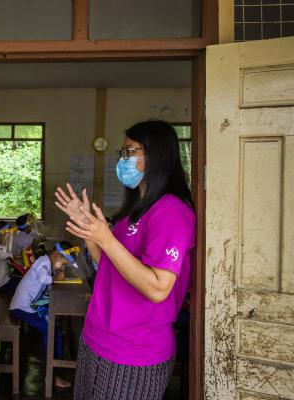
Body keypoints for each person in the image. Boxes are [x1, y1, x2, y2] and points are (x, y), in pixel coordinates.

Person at [55, 120, 195, 400]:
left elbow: (158, 287)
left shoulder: (172, 212)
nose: (123, 159)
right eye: (122, 152)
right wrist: (90, 231)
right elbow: (108, 264)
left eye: (130, 152)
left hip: (134, 351)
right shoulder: (135, 211)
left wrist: (105, 238)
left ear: (156, 156)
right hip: (96, 338)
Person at [9, 241, 79, 389]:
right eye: (64, 263)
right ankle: (54, 375)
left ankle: (55, 365)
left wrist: (56, 277)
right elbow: (43, 279)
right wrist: (56, 278)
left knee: (56, 328)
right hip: (22, 308)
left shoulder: (47, 262)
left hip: (28, 305)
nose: (64, 267)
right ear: (57, 256)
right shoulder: (43, 263)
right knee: (52, 330)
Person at [0, 221, 22, 295]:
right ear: (0, 234)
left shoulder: (2, 247)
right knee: (24, 284)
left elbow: (8, 256)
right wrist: (13, 256)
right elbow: (2, 255)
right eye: (7, 235)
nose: (9, 237)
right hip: (1, 285)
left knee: (24, 279)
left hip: (7, 280)